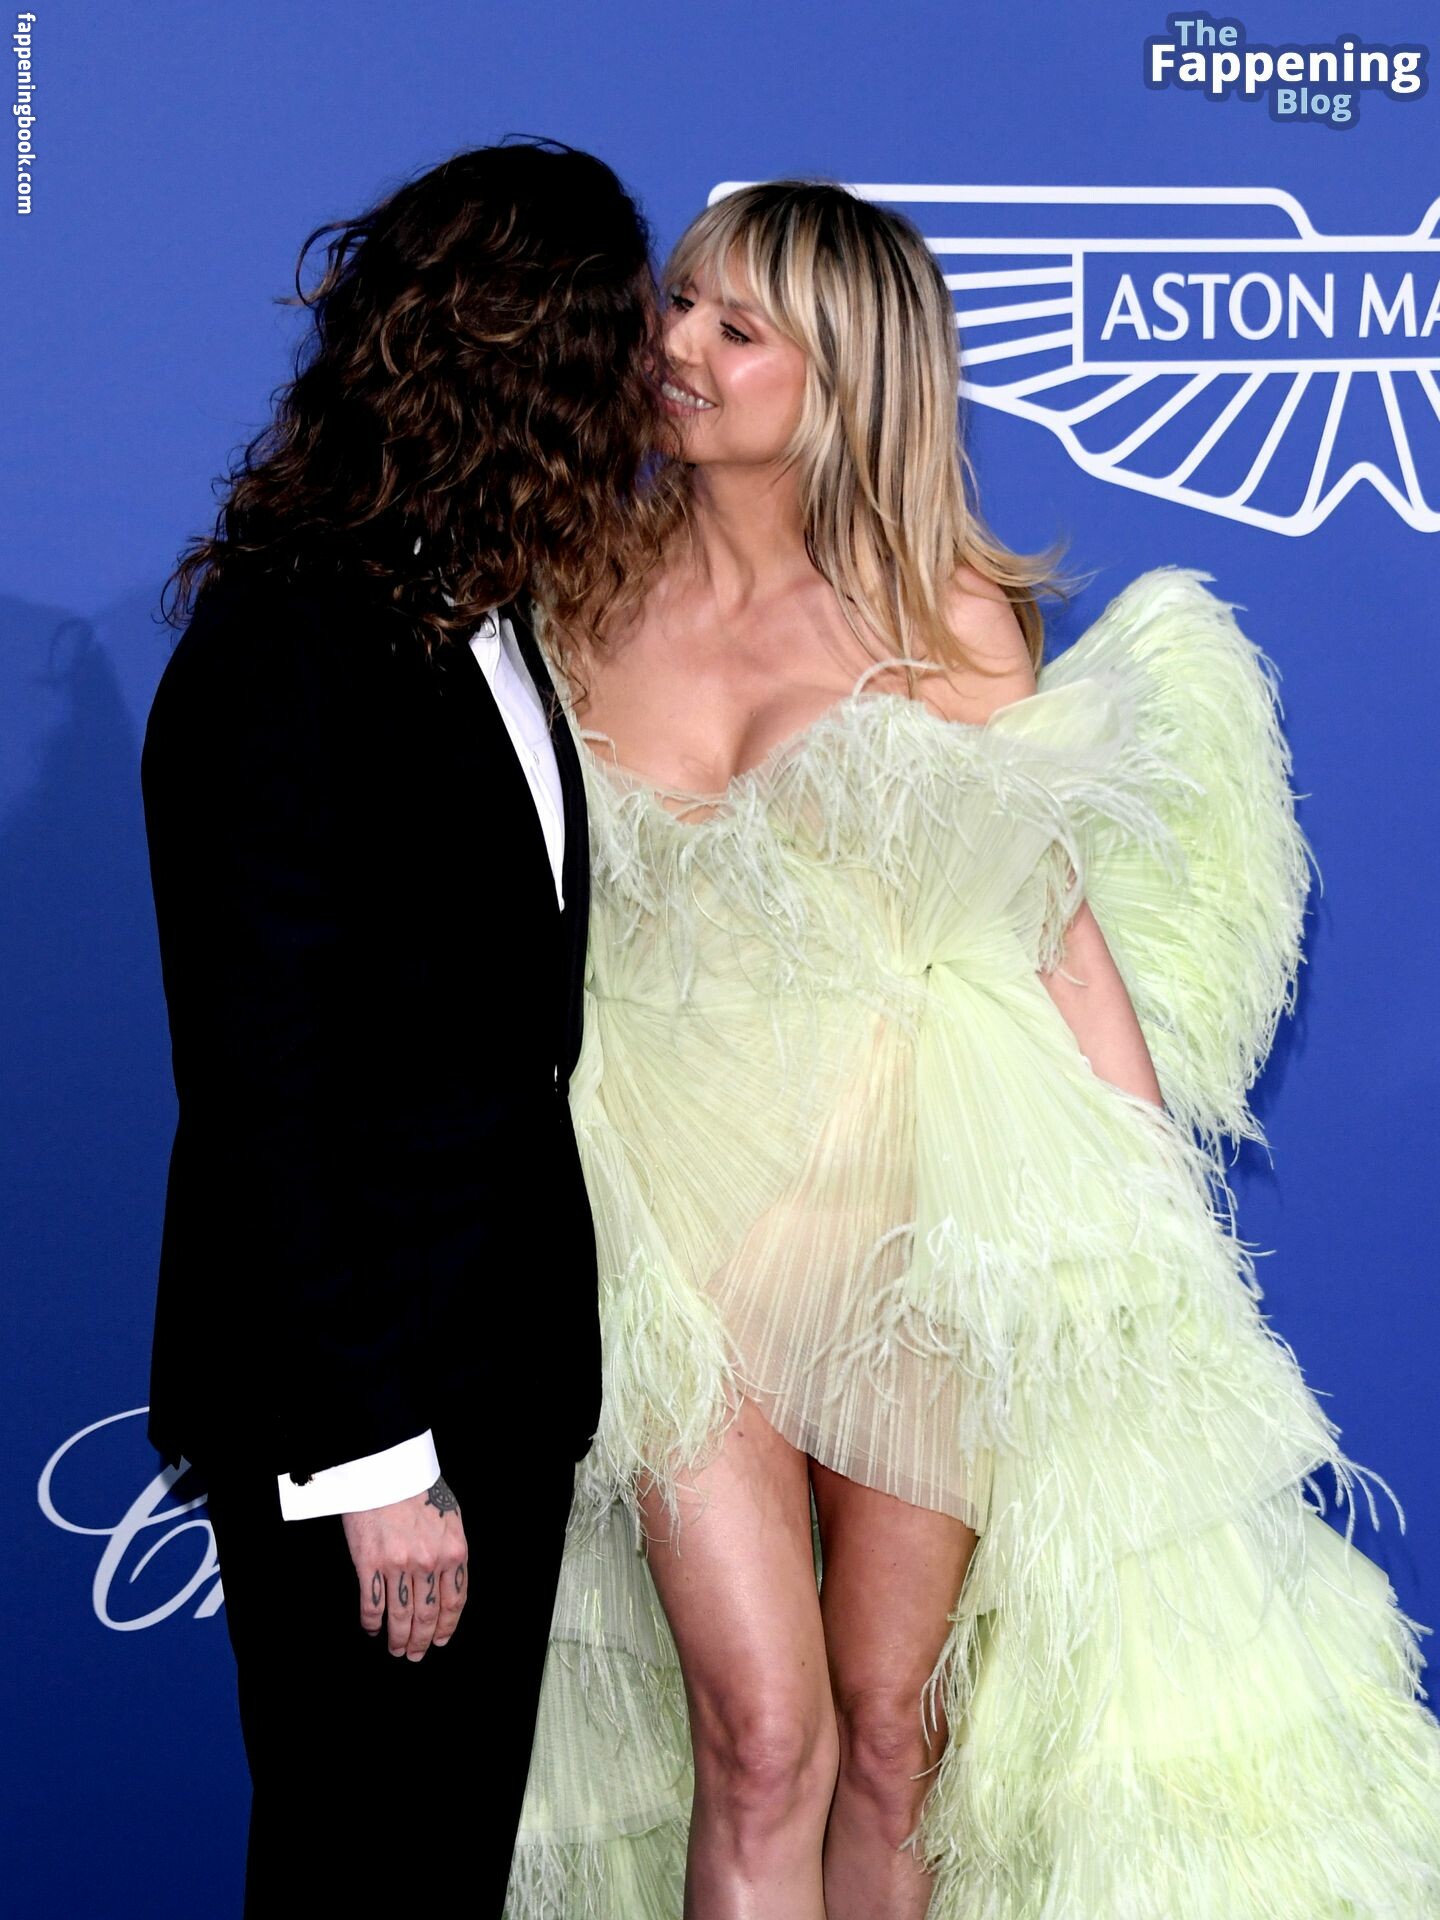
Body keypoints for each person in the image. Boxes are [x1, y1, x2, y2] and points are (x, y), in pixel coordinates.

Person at [503, 181, 1440, 1918]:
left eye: (733, 327)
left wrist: (1146, 1229)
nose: (675, 345)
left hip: (907, 1225)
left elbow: (1055, 933)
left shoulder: (949, 618)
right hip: (662, 1231)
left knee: (890, 1732)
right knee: (756, 1735)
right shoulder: (571, 588)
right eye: (678, 301)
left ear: (842, 377)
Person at [140, 138, 673, 1917]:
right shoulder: (289, 642)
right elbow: (264, 1088)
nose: (653, 381)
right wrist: (370, 1457)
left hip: (493, 1384)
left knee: (432, 1877)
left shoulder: (486, 612)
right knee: (360, 1876)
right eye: (625, 338)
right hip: (365, 1420)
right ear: (540, 366)